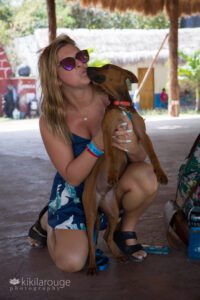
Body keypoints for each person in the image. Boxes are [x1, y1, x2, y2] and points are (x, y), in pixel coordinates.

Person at [28, 34, 158, 273]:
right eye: (68, 63)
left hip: (110, 185)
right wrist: (99, 142)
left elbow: (140, 158)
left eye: (81, 56)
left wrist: (132, 146)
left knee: (146, 176)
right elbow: (73, 177)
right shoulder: (52, 120)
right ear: (56, 79)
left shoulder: (110, 98)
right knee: (72, 262)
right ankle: (48, 221)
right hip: (74, 195)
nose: (80, 63)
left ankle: (125, 230)